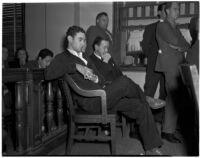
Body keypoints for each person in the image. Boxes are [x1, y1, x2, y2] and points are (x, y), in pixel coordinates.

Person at [45, 25, 164, 155]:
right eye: (80, 40)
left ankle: (152, 148)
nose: (84, 43)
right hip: (90, 102)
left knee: (140, 106)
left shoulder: (85, 57)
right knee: (123, 81)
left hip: (102, 97)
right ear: (69, 39)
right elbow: (48, 73)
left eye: (85, 40)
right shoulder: (62, 58)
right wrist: (76, 67)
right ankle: (146, 98)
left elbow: (101, 79)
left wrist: (95, 78)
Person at [90, 36, 166, 109]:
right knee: (140, 102)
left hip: (119, 90)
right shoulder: (90, 61)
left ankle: (146, 100)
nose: (106, 50)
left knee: (142, 106)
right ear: (96, 47)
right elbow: (98, 78)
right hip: (107, 94)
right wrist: (105, 62)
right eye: (104, 48)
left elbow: (119, 74)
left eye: (107, 48)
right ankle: (146, 99)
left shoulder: (108, 57)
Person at [155, 2, 190, 143]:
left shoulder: (176, 26)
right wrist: (179, 45)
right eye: (175, 9)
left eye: (179, 9)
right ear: (167, 11)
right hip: (169, 65)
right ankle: (167, 131)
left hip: (179, 64)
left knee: (175, 97)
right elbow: (175, 40)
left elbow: (186, 44)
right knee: (173, 97)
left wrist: (180, 47)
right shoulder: (162, 25)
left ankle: (169, 129)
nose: (178, 11)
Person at [141, 3, 166, 101]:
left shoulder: (172, 29)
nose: (167, 12)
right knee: (148, 94)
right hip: (154, 66)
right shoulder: (150, 28)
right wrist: (155, 57)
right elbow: (145, 47)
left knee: (165, 95)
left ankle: (163, 116)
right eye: (165, 10)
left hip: (168, 67)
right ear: (159, 12)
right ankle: (145, 115)